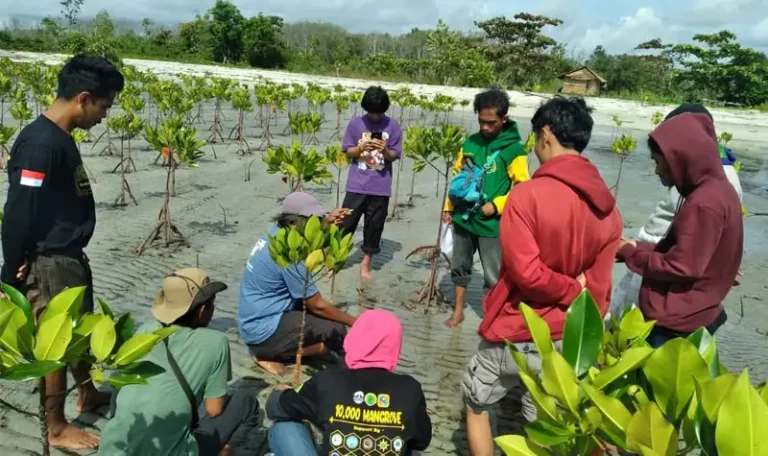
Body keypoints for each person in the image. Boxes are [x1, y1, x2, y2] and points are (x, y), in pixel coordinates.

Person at [462, 97, 622, 456]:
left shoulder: (526, 196)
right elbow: (600, 291)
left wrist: (567, 288)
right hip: (568, 338)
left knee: (475, 404)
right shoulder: (609, 210)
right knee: (542, 425)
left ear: (546, 134)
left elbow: (526, 274)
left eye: (535, 139)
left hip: (517, 327)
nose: (534, 150)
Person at [0, 54, 124, 450]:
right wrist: (9, 269)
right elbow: (19, 209)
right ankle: (55, 425)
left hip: (68, 258)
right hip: (50, 262)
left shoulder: (58, 138)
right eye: (104, 107)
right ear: (83, 98)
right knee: (55, 344)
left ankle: (86, 393)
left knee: (79, 330)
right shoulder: (39, 145)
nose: (104, 116)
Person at [99, 268, 260, 456]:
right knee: (247, 402)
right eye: (211, 304)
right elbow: (214, 409)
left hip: (114, 449)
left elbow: (119, 393)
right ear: (202, 310)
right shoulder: (216, 342)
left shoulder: (146, 330)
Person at [616, 112, 743, 348]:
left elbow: (681, 266)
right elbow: (685, 251)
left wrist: (630, 254)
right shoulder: (720, 189)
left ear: (680, 158)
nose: (657, 171)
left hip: (678, 325)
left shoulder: (703, 203)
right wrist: (635, 246)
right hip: (700, 310)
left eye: (658, 161)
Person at [266, 309, 432, 455]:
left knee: (284, 427)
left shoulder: (328, 380)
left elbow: (275, 407)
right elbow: (422, 442)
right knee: (409, 444)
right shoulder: (410, 389)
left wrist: (282, 392)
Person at [239, 192, 357, 375]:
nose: (319, 223)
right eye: (314, 220)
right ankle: (270, 354)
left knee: (330, 322)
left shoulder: (275, 232)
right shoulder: (291, 256)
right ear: (295, 224)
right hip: (264, 328)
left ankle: (276, 348)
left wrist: (326, 220)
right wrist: (356, 322)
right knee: (337, 331)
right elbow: (317, 305)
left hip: (252, 319)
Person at [442, 87, 529, 328]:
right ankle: (458, 311)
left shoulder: (514, 150)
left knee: (493, 275)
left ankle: (491, 318)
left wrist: (498, 205)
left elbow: (522, 188)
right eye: (481, 121)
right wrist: (449, 208)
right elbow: (458, 176)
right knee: (459, 265)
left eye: (491, 123)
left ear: (504, 119)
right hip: (463, 217)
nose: (485, 128)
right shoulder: (470, 143)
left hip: (492, 223)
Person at [340, 86, 403, 281]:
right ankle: (336, 260)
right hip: (356, 184)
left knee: (374, 226)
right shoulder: (355, 124)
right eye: (371, 111)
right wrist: (360, 148)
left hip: (380, 186)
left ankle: (365, 264)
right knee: (345, 224)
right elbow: (347, 151)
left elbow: (395, 155)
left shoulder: (393, 126)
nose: (375, 116)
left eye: (379, 112)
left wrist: (384, 151)